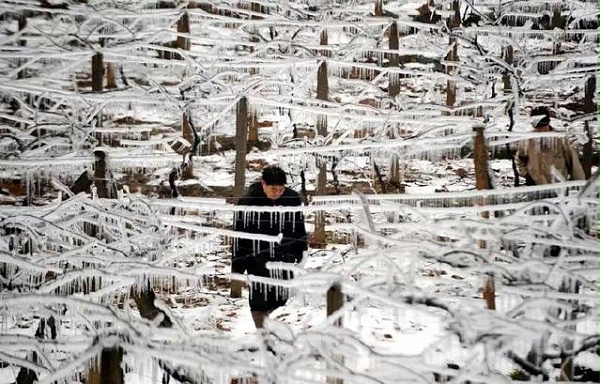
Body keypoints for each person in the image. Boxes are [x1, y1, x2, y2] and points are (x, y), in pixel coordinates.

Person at [232, 166, 308, 328]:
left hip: (284, 256)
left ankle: (270, 328)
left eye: (281, 189)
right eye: (273, 188)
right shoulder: (248, 202)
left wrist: (302, 251)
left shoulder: (292, 198)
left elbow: (299, 227)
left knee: (281, 297)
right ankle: (264, 335)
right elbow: (240, 236)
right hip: (257, 258)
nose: (277, 193)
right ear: (263, 184)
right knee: (259, 299)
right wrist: (238, 266)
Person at [515, 106, 585, 186]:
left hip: (558, 186)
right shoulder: (527, 139)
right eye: (538, 128)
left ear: (548, 123)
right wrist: (527, 174)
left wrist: (579, 185)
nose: (540, 131)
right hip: (534, 185)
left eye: (543, 127)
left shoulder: (561, 138)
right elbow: (520, 158)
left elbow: (574, 164)